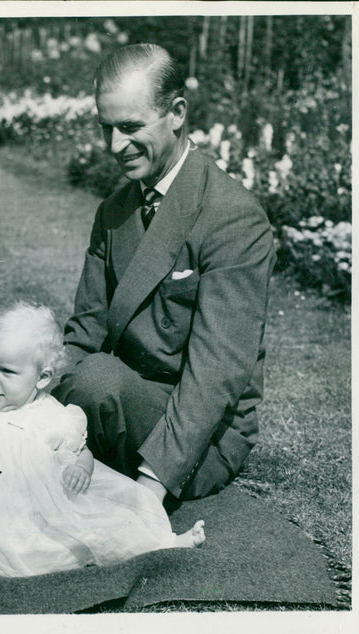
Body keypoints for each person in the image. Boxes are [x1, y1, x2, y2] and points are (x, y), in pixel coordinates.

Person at [53, 44, 276, 508]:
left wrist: (150, 489)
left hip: (200, 433)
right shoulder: (115, 210)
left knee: (95, 382)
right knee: (13, 370)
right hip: (123, 397)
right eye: (106, 128)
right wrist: (31, 415)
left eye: (131, 127)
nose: (115, 146)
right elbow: (85, 330)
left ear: (176, 114)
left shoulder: (233, 216)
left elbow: (216, 374)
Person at [0, 303, 205, 578]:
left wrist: (81, 468)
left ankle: (162, 542)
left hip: (37, 513)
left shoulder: (53, 416)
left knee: (99, 523)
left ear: (42, 378)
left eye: (7, 372)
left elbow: (80, 451)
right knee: (14, 549)